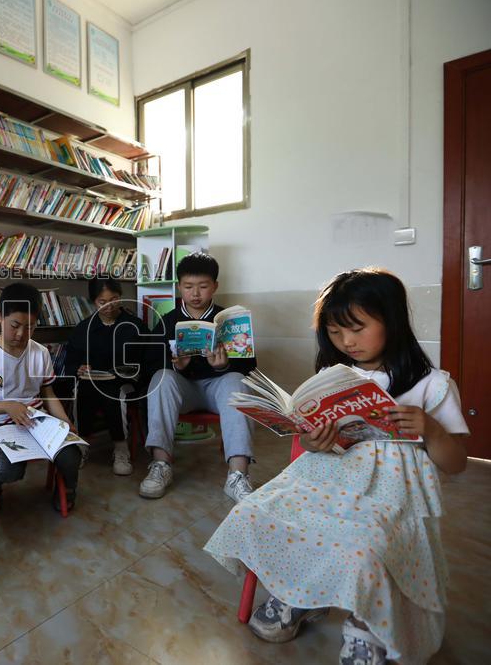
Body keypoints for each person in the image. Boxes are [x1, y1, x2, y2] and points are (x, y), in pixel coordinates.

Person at [204, 268, 469, 664]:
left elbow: (458, 463)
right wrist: (313, 438)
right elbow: (309, 440)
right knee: (258, 511)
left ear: (391, 320)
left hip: (392, 488)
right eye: (333, 331)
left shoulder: (432, 384)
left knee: (363, 547)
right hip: (327, 472)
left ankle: (367, 624)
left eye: (357, 328)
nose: (346, 341)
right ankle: (300, 591)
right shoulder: (335, 376)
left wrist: (430, 429)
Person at [141, 253, 257, 501]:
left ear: (215, 286)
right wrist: (177, 367)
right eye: (188, 287)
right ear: (179, 286)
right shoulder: (168, 321)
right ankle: (161, 464)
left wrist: (223, 366)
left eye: (203, 287)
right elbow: (150, 363)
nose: (195, 294)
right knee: (162, 376)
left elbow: (249, 365)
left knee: (237, 380)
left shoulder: (229, 320)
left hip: (219, 390)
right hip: (184, 392)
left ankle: (238, 475)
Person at [0, 282, 79, 512]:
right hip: (0, 425)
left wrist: (65, 422)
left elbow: (48, 393)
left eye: (30, 327)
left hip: (37, 421)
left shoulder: (41, 352)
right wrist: (8, 406)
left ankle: (68, 489)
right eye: (15, 325)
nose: (21, 334)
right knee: (9, 470)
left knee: (71, 454)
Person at [63, 277, 147, 475]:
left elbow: (147, 358)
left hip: (124, 382)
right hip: (92, 381)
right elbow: (70, 362)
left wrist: (132, 371)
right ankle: (81, 445)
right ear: (93, 301)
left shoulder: (134, 325)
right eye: (102, 302)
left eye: (115, 299)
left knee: (114, 392)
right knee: (81, 389)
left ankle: (120, 448)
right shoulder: (84, 328)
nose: (109, 306)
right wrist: (79, 368)